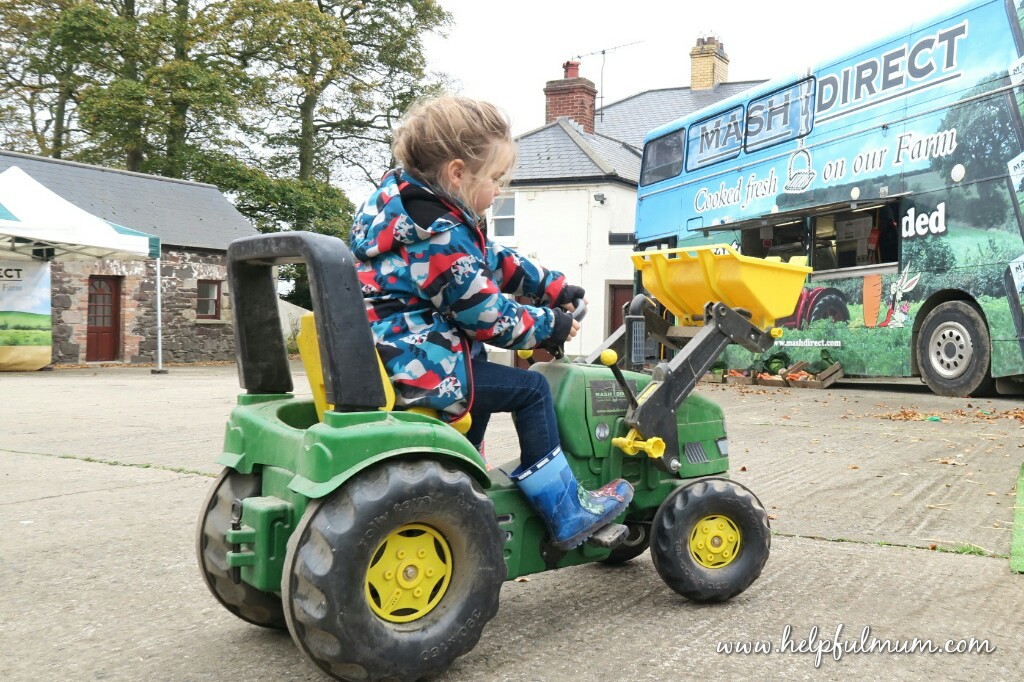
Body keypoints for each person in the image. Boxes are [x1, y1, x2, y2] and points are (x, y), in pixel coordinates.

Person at [349, 94, 632, 550]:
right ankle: (566, 511)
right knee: (533, 388)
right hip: (422, 366)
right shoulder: (436, 234)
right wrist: (551, 326)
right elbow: (486, 316)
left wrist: (552, 287)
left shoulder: (408, 212)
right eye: (496, 179)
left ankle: (467, 488)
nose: (499, 190)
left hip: (403, 352)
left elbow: (490, 260)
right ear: (457, 172)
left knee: (480, 378)